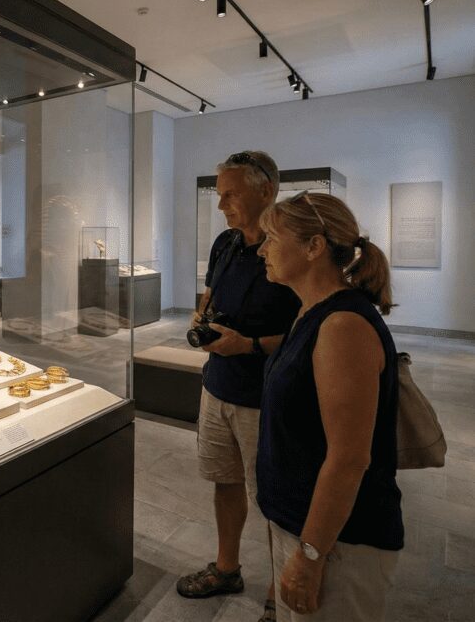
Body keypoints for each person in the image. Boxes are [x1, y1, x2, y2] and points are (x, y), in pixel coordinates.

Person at [256, 192, 403, 620]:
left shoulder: (342, 326)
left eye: (271, 238)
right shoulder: (311, 313)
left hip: (340, 543)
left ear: (314, 247)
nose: (262, 249)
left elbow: (348, 458)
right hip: (303, 525)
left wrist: (310, 555)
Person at [177, 152, 300, 622]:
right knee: (225, 482)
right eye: (219, 193)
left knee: (273, 496)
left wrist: (248, 345)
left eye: (230, 193)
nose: (221, 203)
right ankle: (227, 567)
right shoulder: (226, 243)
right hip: (218, 387)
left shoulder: (292, 245)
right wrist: (203, 320)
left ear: (265, 190)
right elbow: (210, 294)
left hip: (267, 395)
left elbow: (311, 331)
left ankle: (278, 592)